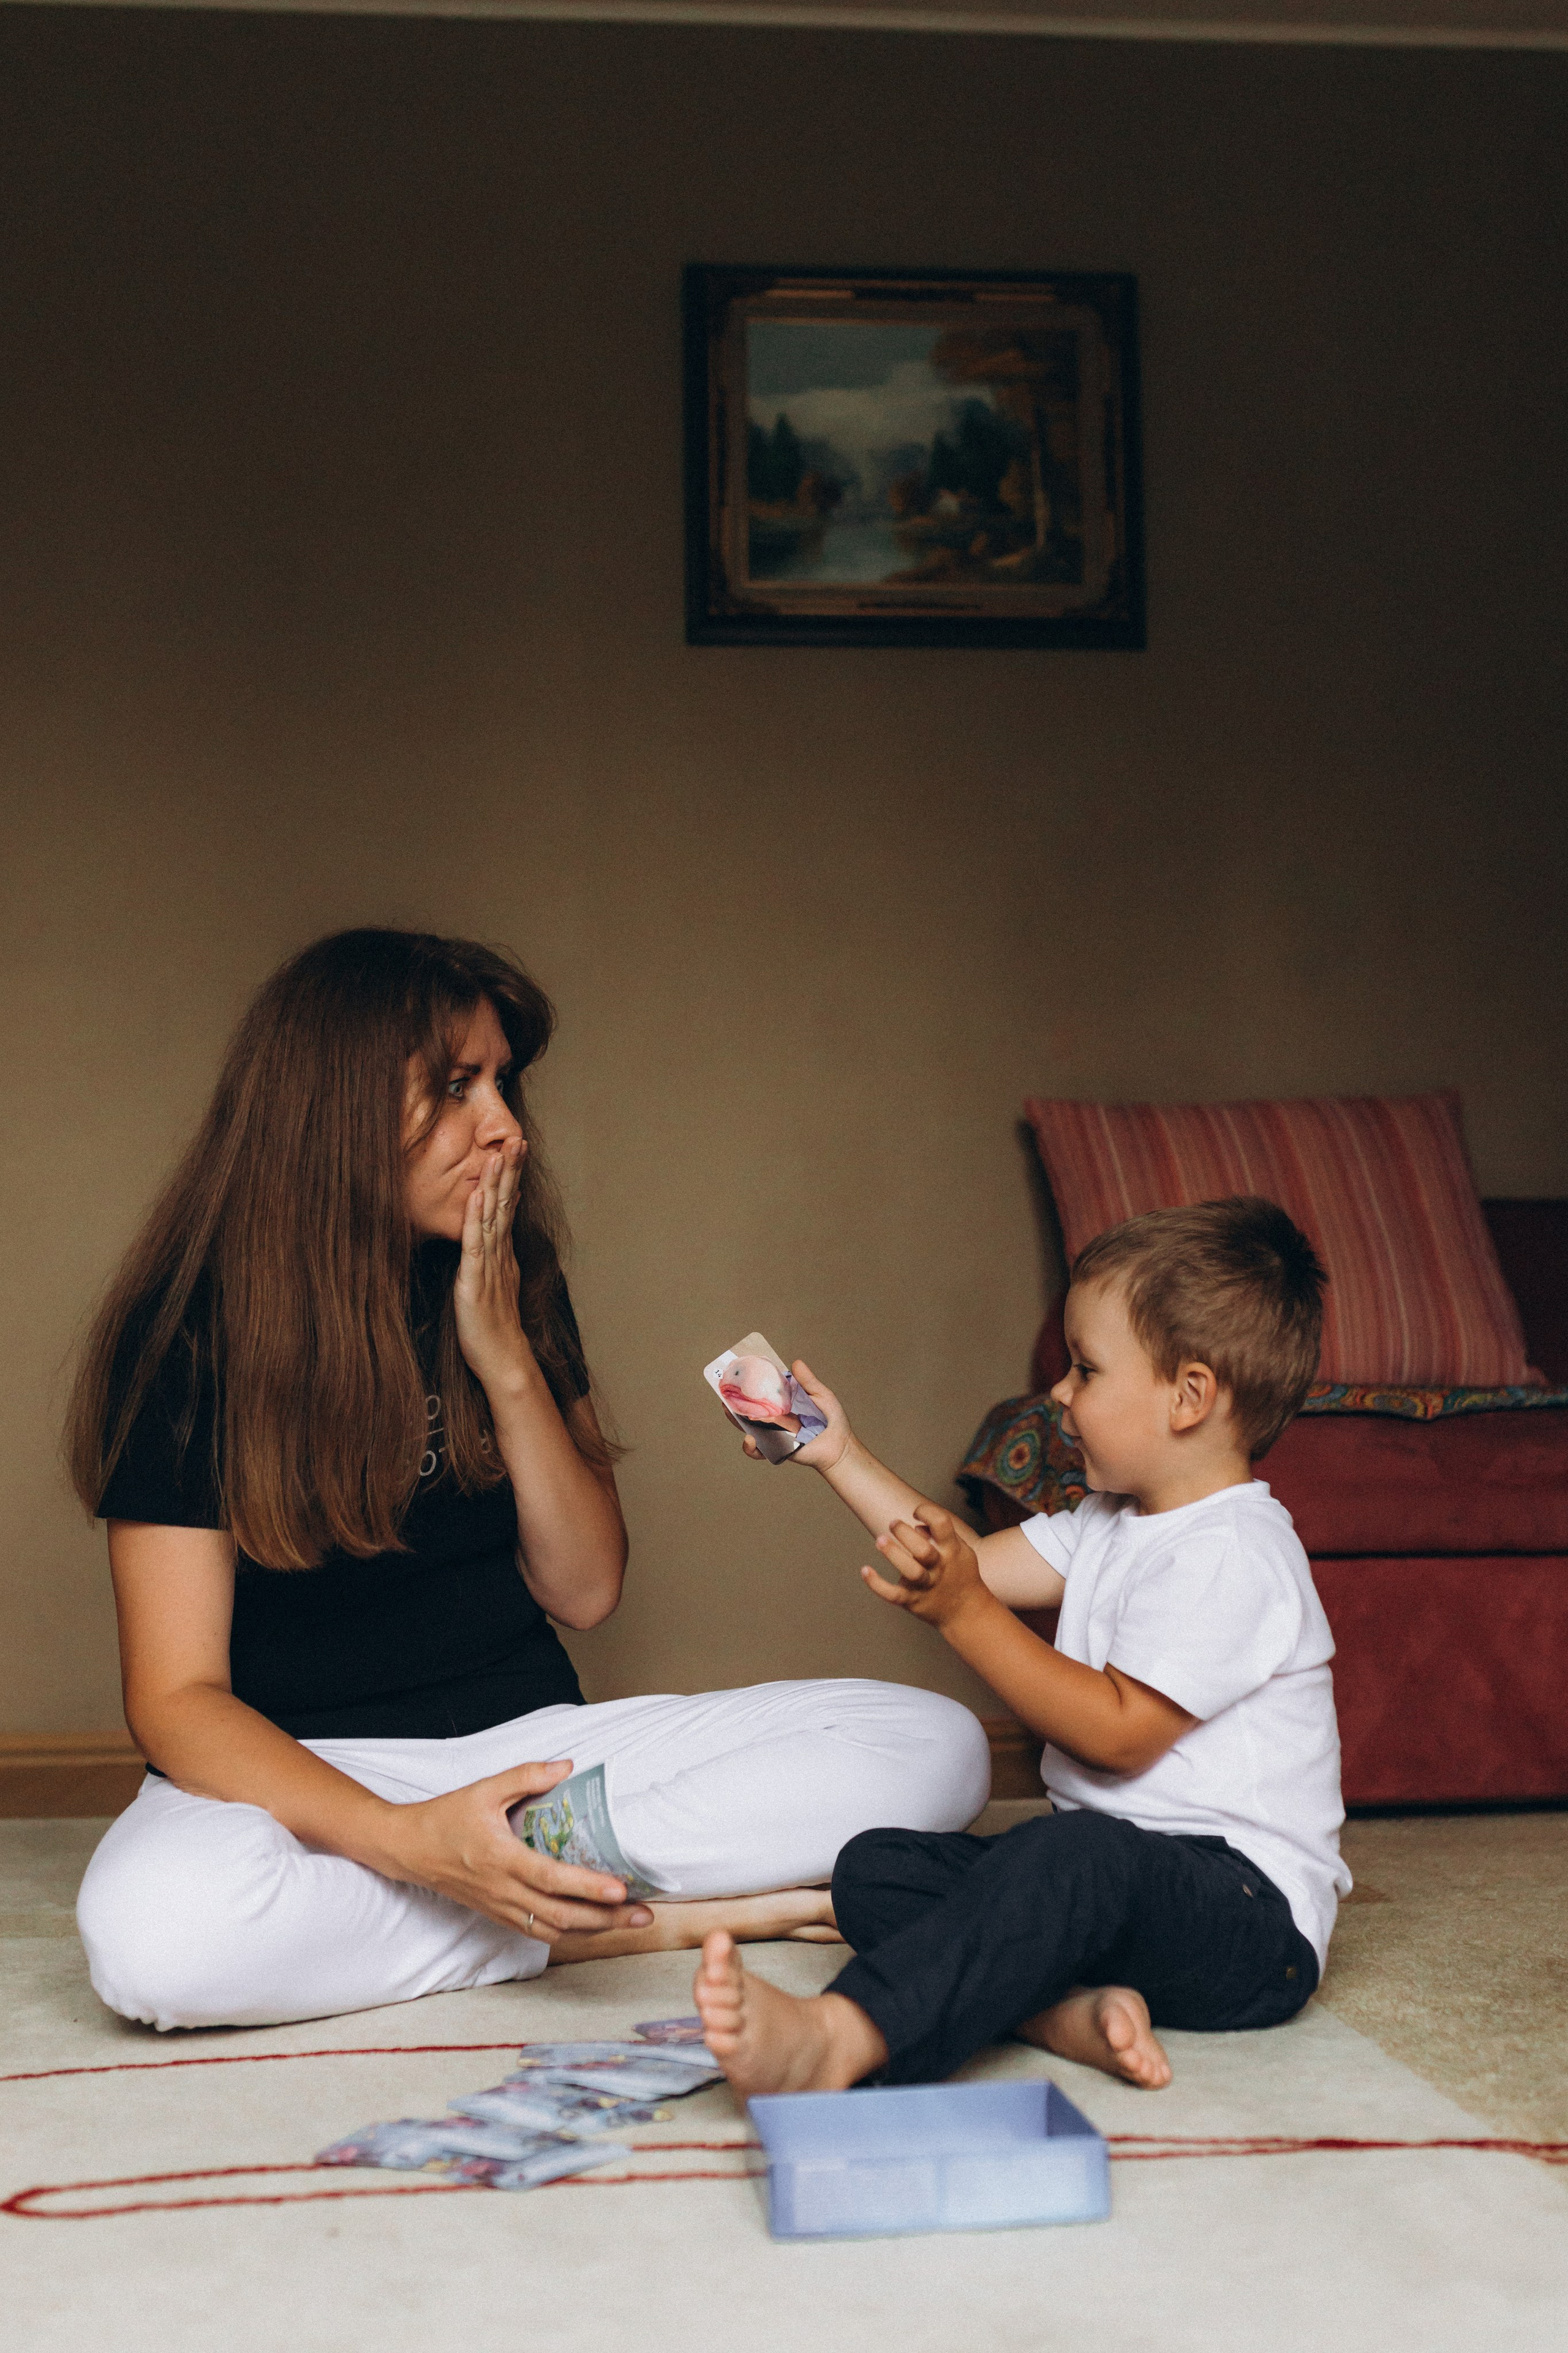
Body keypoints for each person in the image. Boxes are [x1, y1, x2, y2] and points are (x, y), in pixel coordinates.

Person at [67, 929, 989, 2032]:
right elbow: (176, 1699)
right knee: (155, 1943)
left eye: (503, 1083)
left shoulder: (513, 1276)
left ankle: (518, 1894)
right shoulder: (191, 1332)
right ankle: (619, 1918)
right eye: (457, 1087)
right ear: (335, 1113)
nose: (502, 1124)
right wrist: (412, 1838)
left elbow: (586, 1589)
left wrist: (504, 1354)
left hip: (535, 1758)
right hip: (303, 1775)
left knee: (936, 1748)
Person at [693, 1196, 1349, 2096]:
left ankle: (846, 2032)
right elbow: (956, 1559)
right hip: (1111, 1880)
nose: (1060, 1394)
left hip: (1243, 1920)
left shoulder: (1236, 1552)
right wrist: (837, 1453)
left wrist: (966, 1615)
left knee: (1071, 1856)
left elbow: (1116, 1732)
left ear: (1190, 1396)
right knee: (877, 1868)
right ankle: (1059, 2010)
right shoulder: (1110, 1521)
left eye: (1085, 1370)